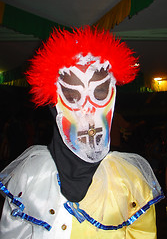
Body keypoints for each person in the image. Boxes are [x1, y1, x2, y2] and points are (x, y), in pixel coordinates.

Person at [0, 26, 164, 239]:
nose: (87, 110)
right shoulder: (29, 177)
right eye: (72, 94)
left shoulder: (130, 182)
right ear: (54, 104)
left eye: (99, 92)